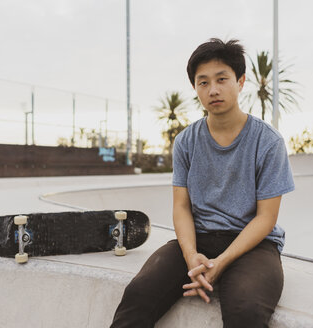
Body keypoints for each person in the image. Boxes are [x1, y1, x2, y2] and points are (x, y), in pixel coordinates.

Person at [110, 38, 295, 328]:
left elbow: (266, 218)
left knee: (245, 311)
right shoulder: (186, 141)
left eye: (222, 79)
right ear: (195, 88)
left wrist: (221, 262)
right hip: (198, 238)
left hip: (253, 246)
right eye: (203, 82)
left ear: (240, 81)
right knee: (138, 296)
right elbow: (181, 207)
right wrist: (192, 256)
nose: (213, 90)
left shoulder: (268, 142)